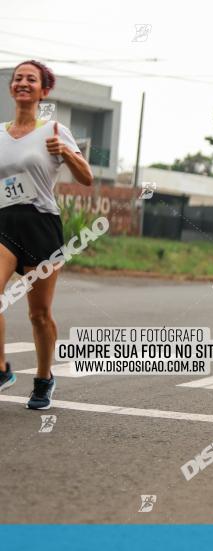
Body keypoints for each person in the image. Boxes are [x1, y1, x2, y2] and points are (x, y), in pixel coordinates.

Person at [0, 60, 93, 409]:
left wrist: (67, 153)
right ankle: (2, 371)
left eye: (31, 79)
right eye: (18, 78)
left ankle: (43, 378)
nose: (23, 83)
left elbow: (86, 177)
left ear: (44, 90)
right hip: (4, 224)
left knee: (38, 314)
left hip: (41, 226)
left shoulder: (54, 129)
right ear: (11, 88)